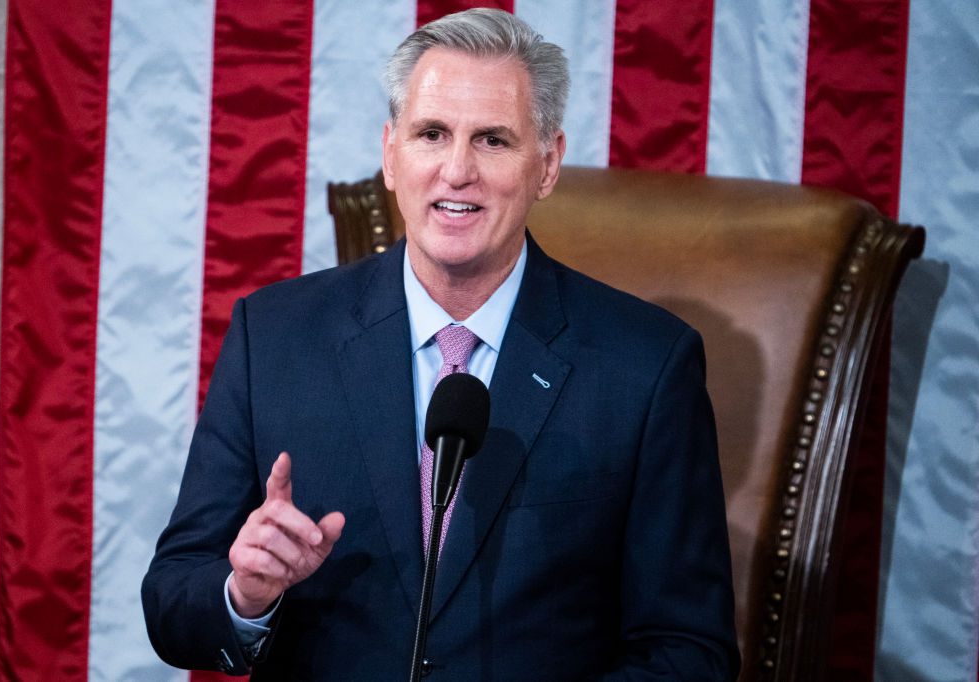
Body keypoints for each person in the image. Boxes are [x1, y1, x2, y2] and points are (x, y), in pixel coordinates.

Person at [142, 8, 740, 680]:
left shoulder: (646, 367)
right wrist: (245, 593)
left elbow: (689, 650)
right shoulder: (275, 337)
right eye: (432, 134)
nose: (457, 171)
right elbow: (172, 598)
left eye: (492, 140)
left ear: (546, 165)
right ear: (391, 154)